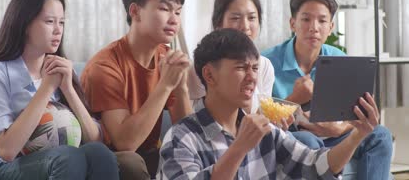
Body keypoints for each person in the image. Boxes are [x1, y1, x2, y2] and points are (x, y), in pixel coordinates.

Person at [158, 28, 383, 179]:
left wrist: (357, 135)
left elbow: (316, 165)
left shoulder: (265, 131)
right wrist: (239, 148)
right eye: (240, 68)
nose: (252, 77)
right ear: (209, 75)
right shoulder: (181, 138)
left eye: (255, 68)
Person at [0, 0, 118, 180]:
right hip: (0, 169)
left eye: (62, 22)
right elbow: (6, 150)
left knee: (100, 154)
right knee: (68, 157)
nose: (58, 30)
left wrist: (68, 89)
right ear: (24, 25)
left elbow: (95, 140)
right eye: (50, 21)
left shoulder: (62, 70)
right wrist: (47, 87)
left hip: (56, 160)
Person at [262, 0, 393, 180]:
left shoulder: (339, 59)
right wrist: (293, 100)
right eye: (306, 19)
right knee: (308, 141)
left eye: (322, 21)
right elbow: (261, 119)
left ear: (330, 27)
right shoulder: (267, 62)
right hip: (293, 136)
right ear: (293, 23)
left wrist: (340, 129)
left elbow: (358, 115)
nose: (314, 27)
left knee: (380, 135)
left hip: (335, 135)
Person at [80, 0, 193, 179]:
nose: (174, 19)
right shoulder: (104, 66)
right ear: (135, 11)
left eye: (178, 12)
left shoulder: (166, 58)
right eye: (164, 9)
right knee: (130, 163)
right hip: (110, 161)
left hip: (150, 155)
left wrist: (182, 86)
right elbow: (124, 143)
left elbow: (186, 132)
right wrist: (165, 85)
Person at [189, 0, 275, 115]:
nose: (245, 27)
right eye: (235, 18)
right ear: (218, 24)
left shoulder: (264, 65)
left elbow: (261, 117)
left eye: (251, 18)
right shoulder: (201, 66)